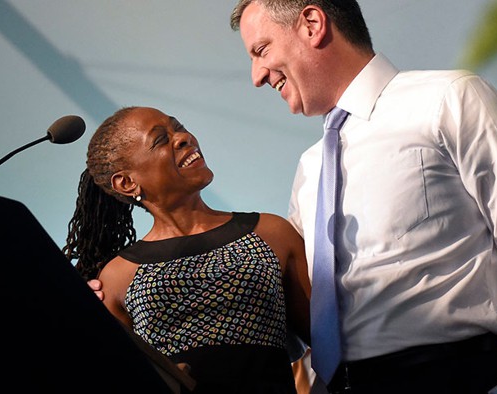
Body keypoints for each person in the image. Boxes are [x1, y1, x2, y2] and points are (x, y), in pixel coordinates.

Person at [224, 0, 497, 393]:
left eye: (261, 50)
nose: (256, 76)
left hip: (460, 375)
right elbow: (306, 312)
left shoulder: (449, 100)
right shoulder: (310, 169)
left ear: (312, 24)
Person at [62, 105, 312, 393]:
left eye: (178, 127)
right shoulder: (118, 277)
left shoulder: (271, 233)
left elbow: (331, 345)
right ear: (127, 182)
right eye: (161, 139)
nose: (183, 137)